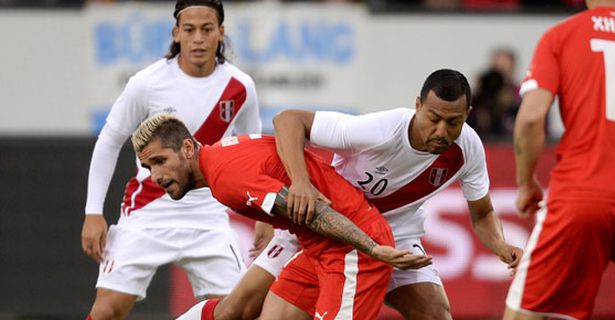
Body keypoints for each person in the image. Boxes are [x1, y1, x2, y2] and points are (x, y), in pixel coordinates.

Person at [179, 69, 523, 320]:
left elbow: (482, 214)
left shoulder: (469, 149)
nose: (441, 131)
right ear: (417, 105)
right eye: (433, 118)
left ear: (467, 116)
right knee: (236, 310)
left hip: (396, 240)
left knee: (435, 315)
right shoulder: (379, 130)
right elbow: (288, 121)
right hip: (323, 228)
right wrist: (300, 183)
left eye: (454, 122)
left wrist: (502, 247)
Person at [132, 113, 432, 320]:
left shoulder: (225, 178)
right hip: (318, 248)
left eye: (160, 161)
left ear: (186, 148)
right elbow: (273, 170)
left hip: (352, 248)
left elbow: (314, 212)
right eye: (148, 168)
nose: (156, 176)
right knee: (235, 310)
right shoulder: (222, 155)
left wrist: (371, 247)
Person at [80, 1, 263, 319]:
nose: (198, 39)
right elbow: (109, 140)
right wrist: (93, 212)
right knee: (107, 310)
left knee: (238, 312)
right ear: (176, 33)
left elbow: (254, 151)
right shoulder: (147, 83)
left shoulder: (240, 87)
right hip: (148, 211)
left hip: (208, 215)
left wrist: (263, 215)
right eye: (189, 30)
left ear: (220, 33)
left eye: (207, 30)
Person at [503, 1, 615, 319]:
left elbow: (531, 116)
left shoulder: (562, 35)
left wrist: (526, 183)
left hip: (581, 195)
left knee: (529, 312)